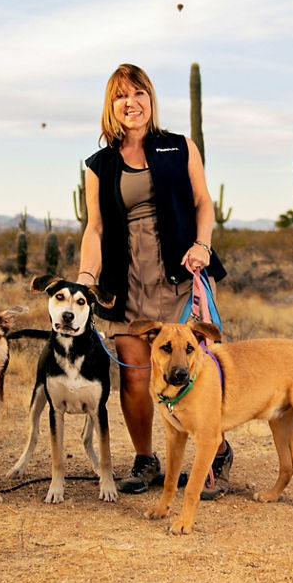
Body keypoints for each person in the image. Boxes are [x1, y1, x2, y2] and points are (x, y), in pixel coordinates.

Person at [75, 63, 232, 498]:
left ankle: (212, 454)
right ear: (112, 105)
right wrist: (86, 278)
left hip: (181, 276)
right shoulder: (99, 165)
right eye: (122, 96)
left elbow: (203, 202)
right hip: (126, 283)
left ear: (150, 99)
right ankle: (146, 460)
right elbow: (96, 229)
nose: (132, 102)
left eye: (139, 93)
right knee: (136, 378)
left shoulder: (180, 148)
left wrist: (203, 244)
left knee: (195, 372)